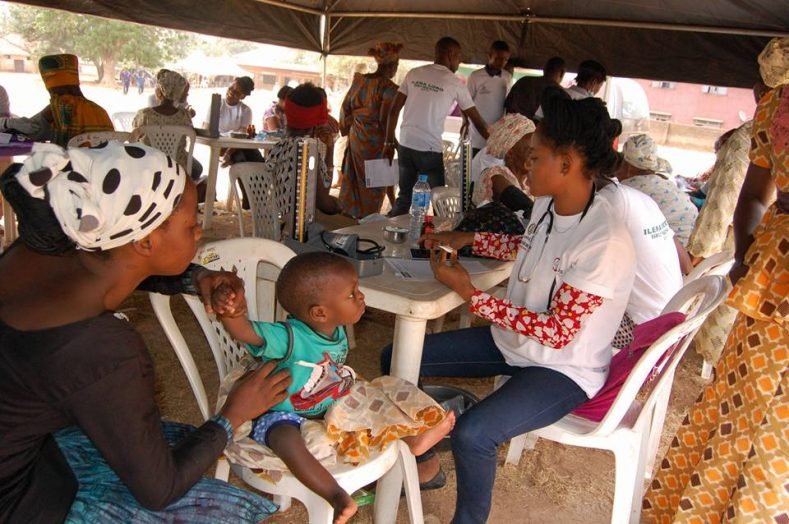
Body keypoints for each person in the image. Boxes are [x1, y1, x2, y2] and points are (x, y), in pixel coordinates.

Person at [0, 141, 292, 522]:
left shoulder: (43, 250)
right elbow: (159, 489)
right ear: (145, 241)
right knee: (223, 505)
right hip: (19, 501)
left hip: (25, 447)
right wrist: (233, 413)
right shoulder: (104, 351)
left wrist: (196, 276)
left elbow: (116, 270)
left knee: (168, 436)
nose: (200, 231)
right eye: (191, 224)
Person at [383, 96, 636, 523]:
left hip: (563, 368)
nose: (524, 168)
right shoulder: (549, 203)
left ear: (567, 163)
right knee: (397, 359)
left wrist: (470, 293)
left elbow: (556, 333)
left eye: (534, 158)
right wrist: (468, 239)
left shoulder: (604, 240)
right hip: (513, 343)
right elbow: (529, 246)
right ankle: (424, 462)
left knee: (476, 434)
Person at [642, 36, 789, 523]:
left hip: (771, 261)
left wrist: (746, 259)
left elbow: (747, 197)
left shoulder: (771, 112)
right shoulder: (773, 111)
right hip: (771, 269)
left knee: (747, 406)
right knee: (753, 408)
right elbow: (746, 195)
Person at [214, 251, 455, 524]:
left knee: (381, 393)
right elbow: (247, 332)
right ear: (319, 312)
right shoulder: (289, 336)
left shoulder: (335, 329)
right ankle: (335, 494)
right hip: (283, 411)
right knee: (284, 439)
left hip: (329, 401)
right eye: (352, 294)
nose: (361, 297)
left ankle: (413, 437)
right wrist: (233, 313)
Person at [684, 82, 772, 369]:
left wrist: (701, 251)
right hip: (767, 247)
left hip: (744, 241)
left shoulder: (750, 135)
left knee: (729, 319)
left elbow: (724, 199)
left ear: (761, 92)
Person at [384, 36, 490, 216]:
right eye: (458, 57)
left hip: (406, 145)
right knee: (439, 201)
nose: (459, 61)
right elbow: (478, 121)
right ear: (450, 54)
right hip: (429, 149)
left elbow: (394, 110)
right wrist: (497, 143)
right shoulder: (454, 82)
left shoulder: (414, 73)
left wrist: (388, 143)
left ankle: (389, 237)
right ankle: (439, 239)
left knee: (404, 198)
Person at [338, 42, 402, 218]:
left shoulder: (359, 81)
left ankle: (349, 215)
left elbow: (345, 108)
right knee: (374, 180)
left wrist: (350, 126)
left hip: (357, 136)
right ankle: (367, 217)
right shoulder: (389, 88)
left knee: (354, 179)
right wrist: (392, 142)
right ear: (392, 67)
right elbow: (384, 119)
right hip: (375, 141)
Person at [262, 82, 341, 218]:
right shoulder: (308, 152)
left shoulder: (278, 147)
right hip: (301, 231)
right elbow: (324, 203)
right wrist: (340, 206)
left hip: (276, 222)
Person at [0, 54, 113, 147]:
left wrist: (11, 123)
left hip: (73, 169)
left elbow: (31, 131)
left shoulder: (58, 108)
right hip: (106, 167)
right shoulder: (99, 110)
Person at [617, 133, 698, 248]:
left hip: (675, 249)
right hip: (692, 242)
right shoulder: (663, 181)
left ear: (628, 167)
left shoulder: (629, 189)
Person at [132, 69, 203, 181]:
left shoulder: (145, 114)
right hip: (178, 171)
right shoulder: (184, 116)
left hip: (149, 167)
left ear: (159, 92)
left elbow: (133, 138)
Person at [470, 113, 535, 216]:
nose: (535, 156)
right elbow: (524, 205)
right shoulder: (495, 176)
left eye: (536, 150)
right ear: (510, 153)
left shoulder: (530, 182)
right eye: (529, 151)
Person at [465, 41, 512, 156]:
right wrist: (464, 121)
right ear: (489, 55)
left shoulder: (507, 77)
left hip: (496, 135)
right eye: (498, 58)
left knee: (491, 171)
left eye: (505, 59)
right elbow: (465, 103)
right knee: (472, 170)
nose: (501, 62)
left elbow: (508, 103)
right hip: (475, 135)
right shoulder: (475, 76)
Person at [534, 59, 606, 120]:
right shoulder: (593, 107)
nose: (598, 90)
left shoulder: (554, 95)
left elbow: (537, 120)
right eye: (600, 86)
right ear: (594, 82)